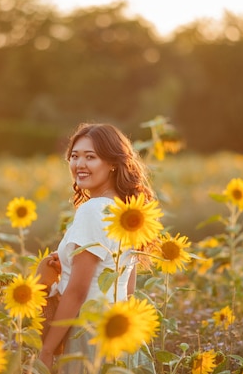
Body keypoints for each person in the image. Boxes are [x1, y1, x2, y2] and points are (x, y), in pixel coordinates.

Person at [39, 123, 156, 373]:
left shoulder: (92, 210)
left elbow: (78, 292)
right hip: (122, 335)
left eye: (90, 157)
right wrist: (69, 263)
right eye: (74, 156)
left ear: (112, 163)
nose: (79, 164)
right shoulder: (126, 213)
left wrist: (47, 349)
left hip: (89, 335)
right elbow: (128, 287)